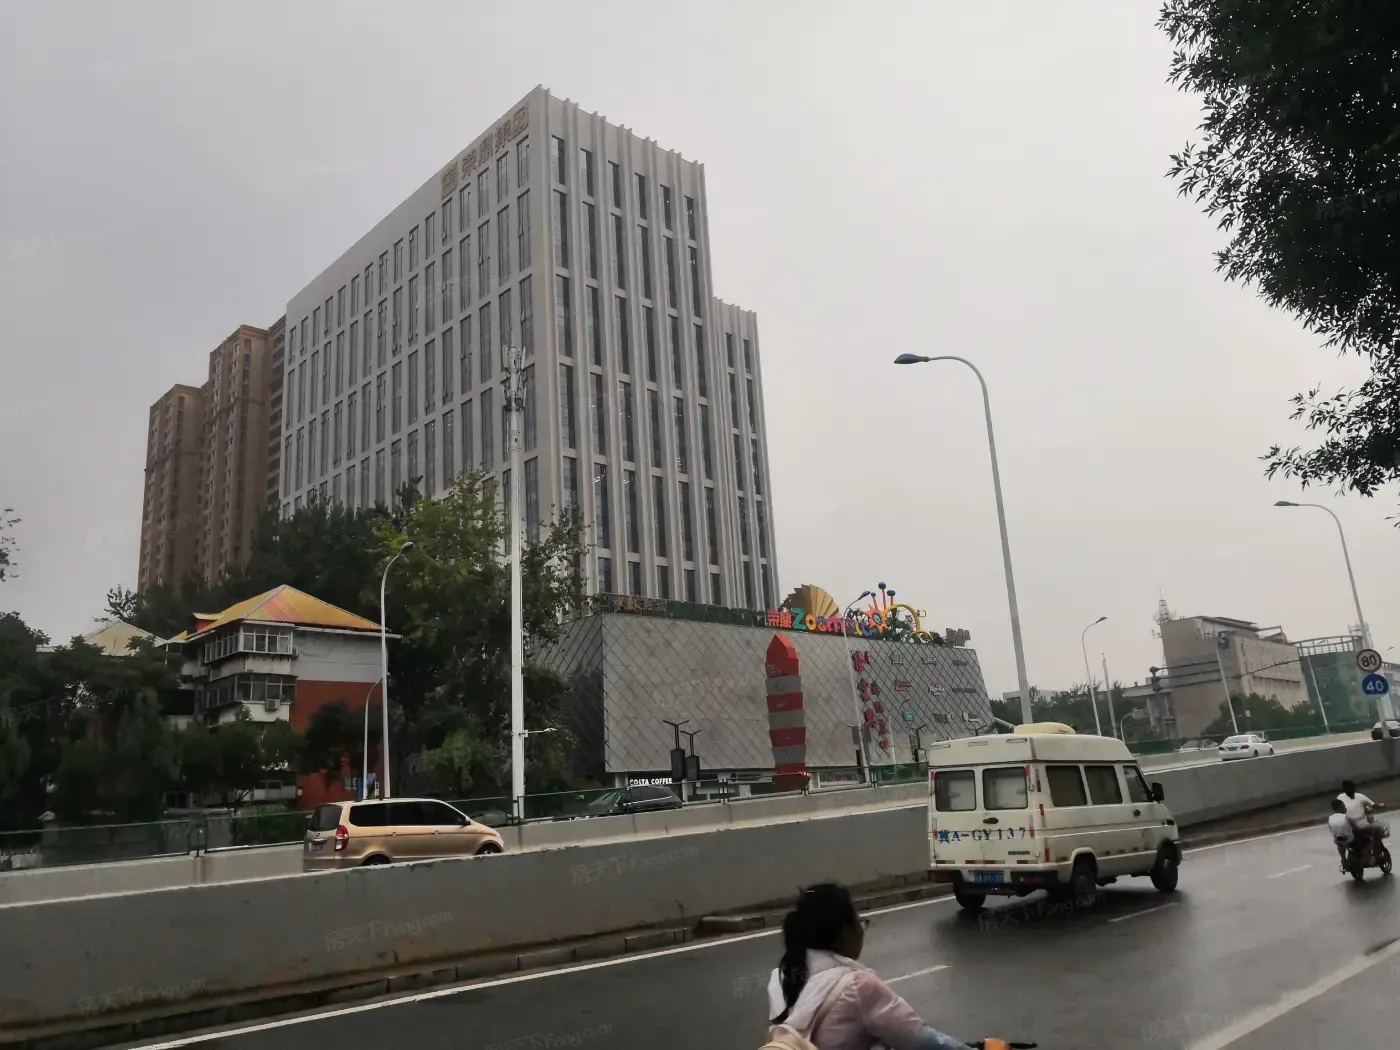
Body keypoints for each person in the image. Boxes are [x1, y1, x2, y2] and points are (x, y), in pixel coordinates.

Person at [766, 883, 972, 1050]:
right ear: (844, 932)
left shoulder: (781, 978)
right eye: (859, 922)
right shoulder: (859, 986)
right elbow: (919, 1040)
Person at [1328, 798, 1355, 872]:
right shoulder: (1346, 817)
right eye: (1343, 806)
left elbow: (1331, 830)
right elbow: (1355, 827)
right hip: (1350, 839)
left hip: (1338, 840)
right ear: (1340, 807)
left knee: (1340, 845)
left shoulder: (1330, 818)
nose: (1345, 807)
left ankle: (1343, 858)